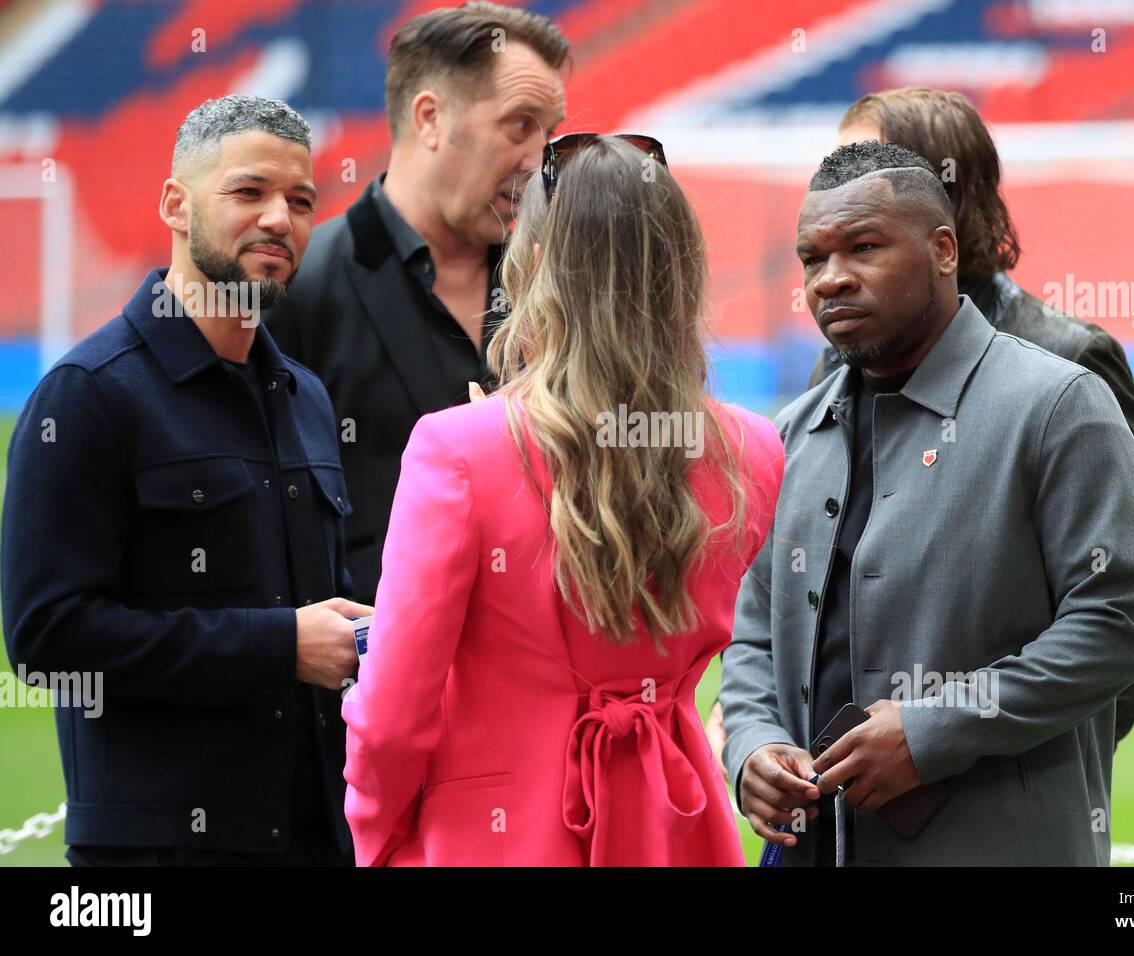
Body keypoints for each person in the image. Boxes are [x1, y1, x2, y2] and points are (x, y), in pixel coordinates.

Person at [341, 136, 785, 866]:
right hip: (675, 835)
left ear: (538, 264)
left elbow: (391, 719)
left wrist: (374, 833)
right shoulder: (755, 451)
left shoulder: (456, 451)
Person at [719, 140, 1134, 866]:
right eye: (812, 258)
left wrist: (933, 731)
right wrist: (752, 746)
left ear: (944, 249)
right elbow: (754, 637)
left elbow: (1117, 622)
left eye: (863, 247)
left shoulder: (1057, 406)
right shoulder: (789, 435)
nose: (830, 280)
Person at [1, 95, 372, 865]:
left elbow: (305, 618)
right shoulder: (87, 394)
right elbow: (46, 640)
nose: (280, 218)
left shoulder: (305, 396)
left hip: (319, 844)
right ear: (175, 204)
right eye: (249, 192)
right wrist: (279, 644)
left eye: (301, 201)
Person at [266, 2, 570, 605]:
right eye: (519, 125)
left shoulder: (561, 287)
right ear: (429, 117)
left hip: (532, 683)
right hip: (359, 684)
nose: (541, 162)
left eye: (551, 133)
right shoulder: (296, 290)